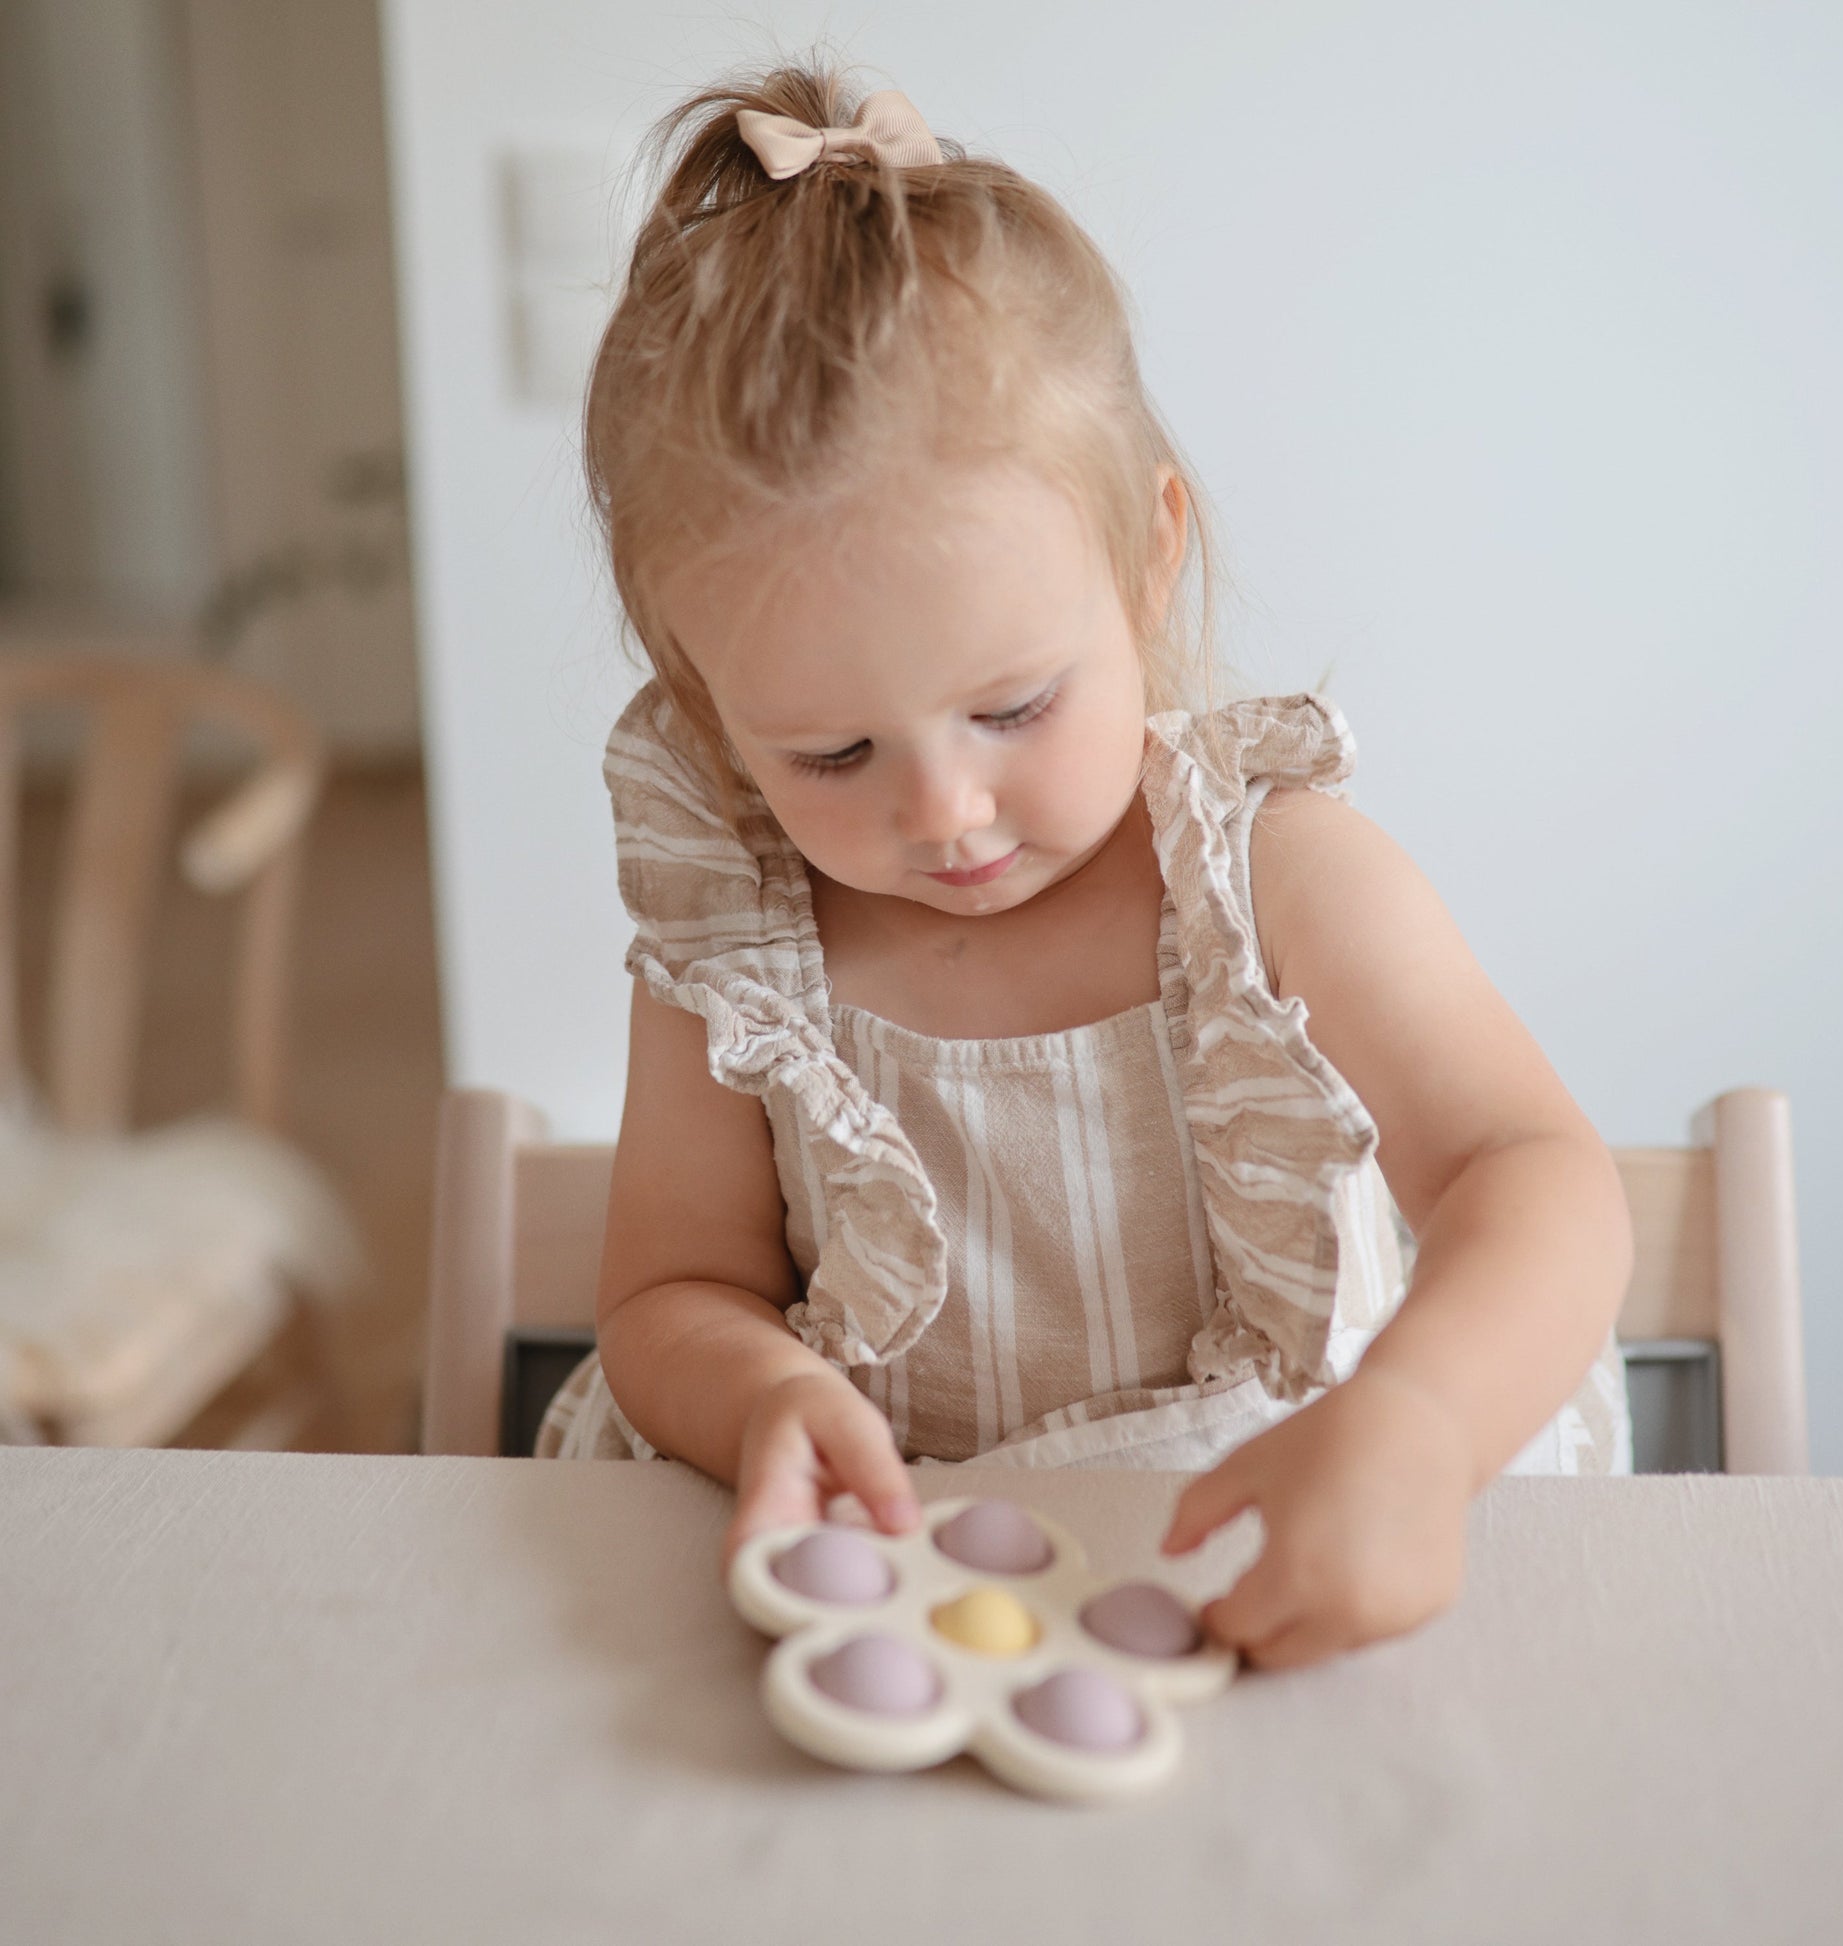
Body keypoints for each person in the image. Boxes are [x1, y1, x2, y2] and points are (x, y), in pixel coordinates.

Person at [536, 58, 1633, 1670]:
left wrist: (1418, 1417)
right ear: (706, 706)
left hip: (1267, 1550)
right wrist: (761, 1389)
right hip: (905, 1587)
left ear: (1146, 555)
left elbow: (1530, 1174)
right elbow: (669, 1293)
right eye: (830, 753)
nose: (947, 812)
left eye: (1012, 709)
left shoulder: (1274, 882)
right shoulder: (740, 955)